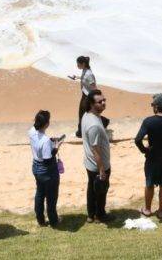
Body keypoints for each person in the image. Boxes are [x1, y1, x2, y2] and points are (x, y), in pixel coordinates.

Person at [28, 110, 63, 226]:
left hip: (36, 166)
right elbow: (48, 160)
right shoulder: (45, 140)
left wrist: (51, 142)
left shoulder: (31, 131)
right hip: (47, 170)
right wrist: (56, 147)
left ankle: (40, 220)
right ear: (47, 124)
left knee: (40, 193)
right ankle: (53, 221)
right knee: (51, 197)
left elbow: (39, 143)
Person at [82, 89, 112, 223]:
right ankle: (100, 215)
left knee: (91, 189)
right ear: (92, 104)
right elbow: (96, 150)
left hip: (89, 163)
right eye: (100, 102)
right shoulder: (94, 125)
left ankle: (90, 215)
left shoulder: (87, 115)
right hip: (97, 165)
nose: (104, 103)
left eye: (104, 100)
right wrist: (102, 170)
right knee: (101, 191)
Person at [69, 55, 97, 138]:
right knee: (86, 114)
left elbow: (94, 87)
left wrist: (94, 100)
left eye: (78, 64)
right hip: (84, 95)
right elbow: (83, 78)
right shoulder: (85, 70)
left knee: (83, 114)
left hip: (88, 97)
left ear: (83, 64)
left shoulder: (89, 74)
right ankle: (81, 132)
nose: (77, 66)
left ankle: (80, 133)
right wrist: (76, 77)